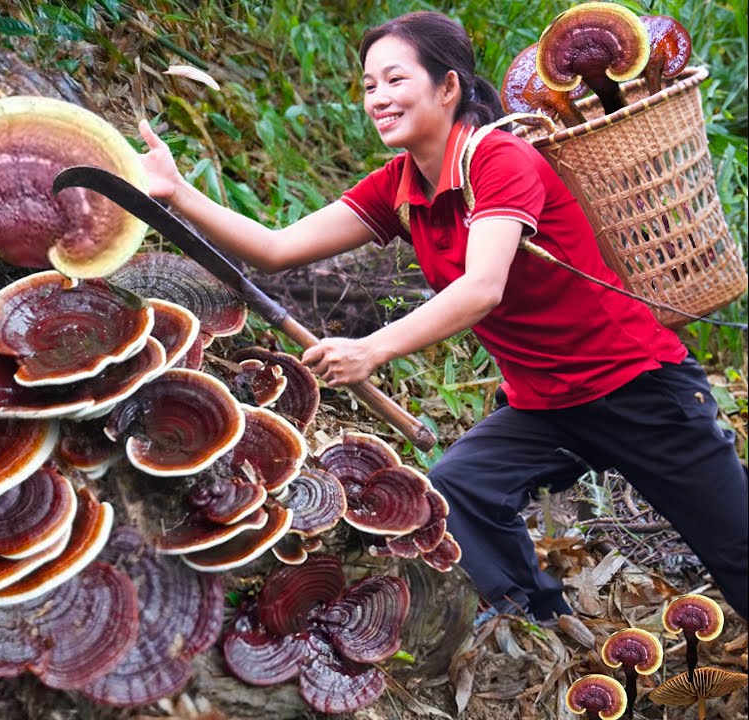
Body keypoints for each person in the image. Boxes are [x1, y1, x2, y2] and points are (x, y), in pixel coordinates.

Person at [135, 10, 748, 622]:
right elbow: (276, 248)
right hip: (545, 406)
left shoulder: (498, 160)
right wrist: (178, 191)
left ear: (447, 87)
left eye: (396, 80)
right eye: (370, 85)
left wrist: (372, 348)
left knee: (736, 549)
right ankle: (537, 619)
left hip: (637, 389)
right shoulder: (399, 184)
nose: (379, 98)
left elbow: (482, 287)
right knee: (458, 489)